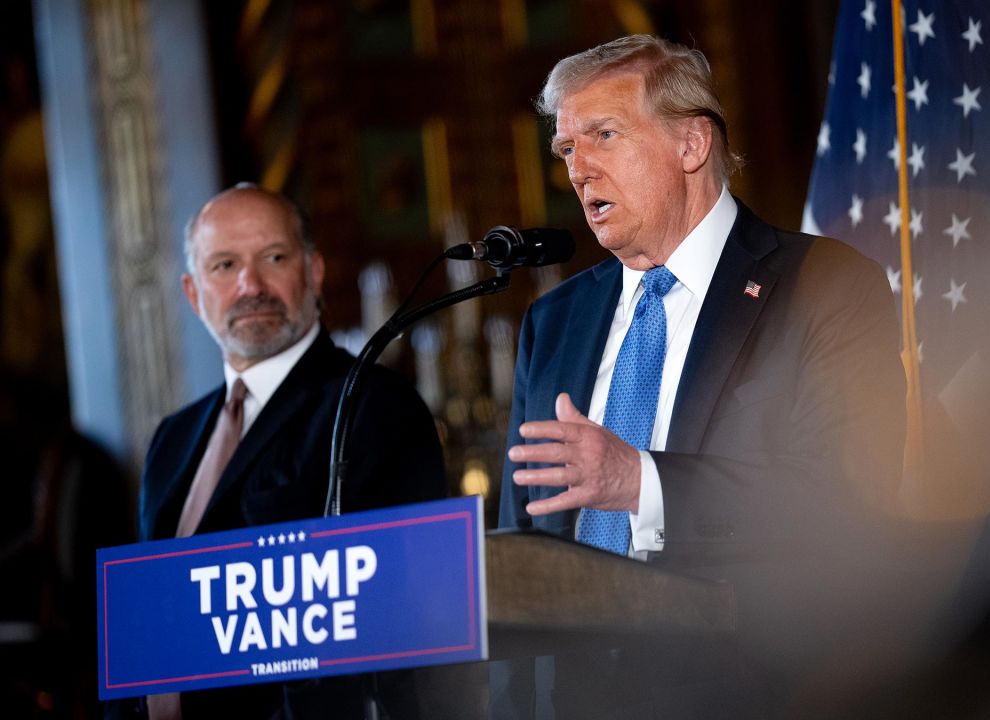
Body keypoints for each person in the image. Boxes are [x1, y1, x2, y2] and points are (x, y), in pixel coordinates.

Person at [497, 35, 905, 714]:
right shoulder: (555, 319)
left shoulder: (823, 286)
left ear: (691, 145)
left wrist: (641, 483)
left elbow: (845, 498)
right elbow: (525, 536)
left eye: (603, 134)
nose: (579, 170)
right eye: (567, 150)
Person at [124, 184, 446, 719]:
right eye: (224, 265)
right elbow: (144, 624)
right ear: (192, 292)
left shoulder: (375, 407)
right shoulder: (171, 439)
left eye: (273, 257)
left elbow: (395, 633)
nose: (250, 284)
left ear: (314, 271)